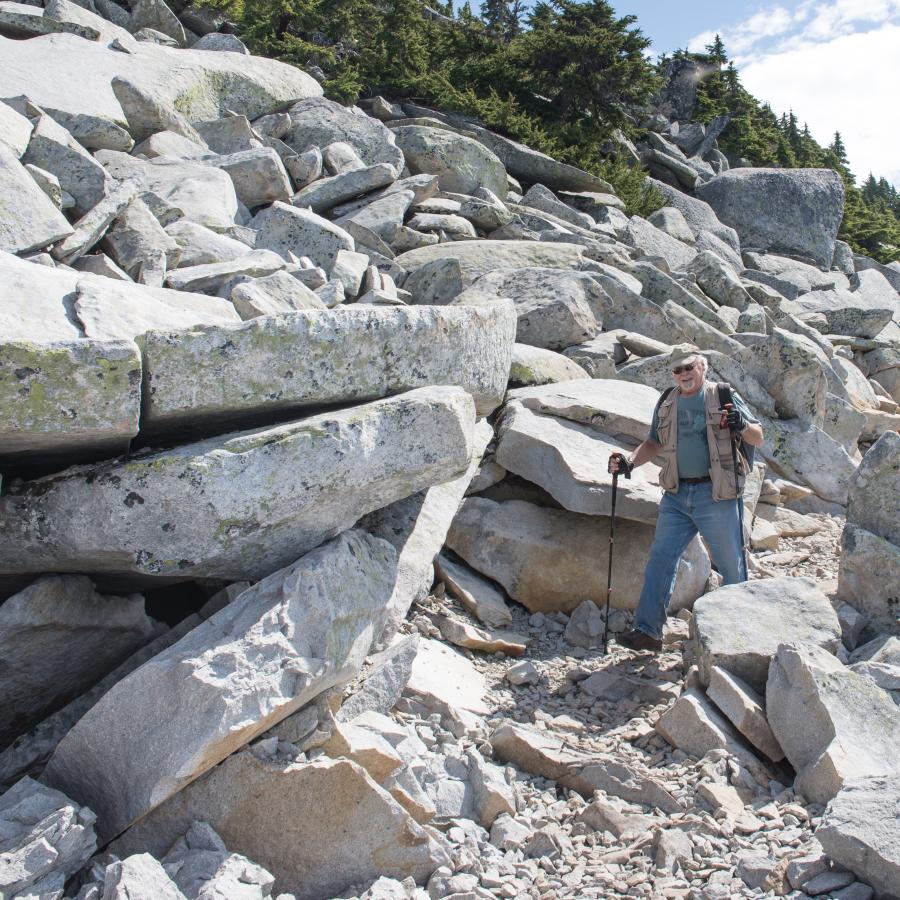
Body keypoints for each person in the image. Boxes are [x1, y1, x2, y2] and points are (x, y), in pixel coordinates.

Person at [608, 344, 764, 651]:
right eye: (677, 369)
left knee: (732, 567)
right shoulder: (667, 400)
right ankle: (648, 631)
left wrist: (741, 425)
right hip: (677, 495)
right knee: (660, 560)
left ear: (703, 367)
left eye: (688, 367)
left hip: (716, 495)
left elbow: (758, 435)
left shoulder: (722, 395)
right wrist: (628, 462)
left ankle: (740, 638)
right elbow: (653, 442)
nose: (683, 374)